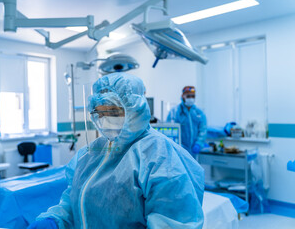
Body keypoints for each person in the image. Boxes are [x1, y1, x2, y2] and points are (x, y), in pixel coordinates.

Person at [28, 73, 204, 229]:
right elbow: (74, 200)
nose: (106, 119)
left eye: (113, 111)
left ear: (135, 109)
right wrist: (56, 219)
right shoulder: (91, 152)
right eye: (100, 112)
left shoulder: (158, 154)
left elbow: (174, 221)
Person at [166, 86, 207, 156]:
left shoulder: (199, 113)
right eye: (188, 96)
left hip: (194, 151)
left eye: (193, 96)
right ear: (182, 96)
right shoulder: (174, 112)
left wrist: (198, 144)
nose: (191, 98)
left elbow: (203, 130)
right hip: (178, 151)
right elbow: (169, 130)